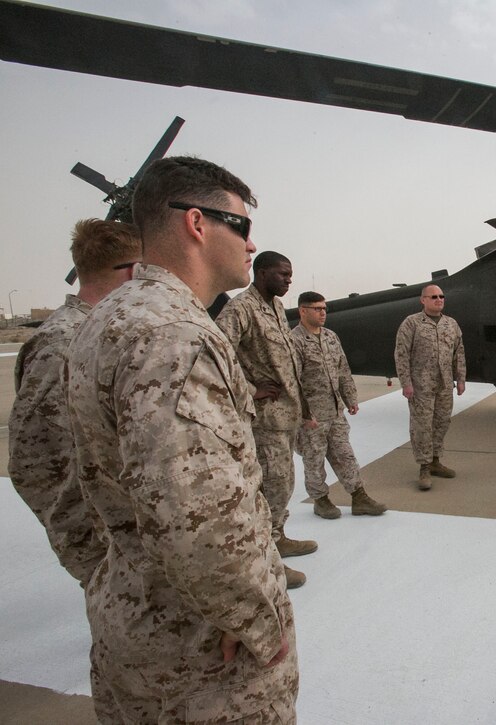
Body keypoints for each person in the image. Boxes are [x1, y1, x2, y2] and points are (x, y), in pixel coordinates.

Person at [65, 156, 298, 721]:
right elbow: (196, 511)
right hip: (200, 650)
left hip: (134, 617)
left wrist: (102, 574)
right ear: (197, 223)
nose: (250, 245)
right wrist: (256, 619)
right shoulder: (175, 334)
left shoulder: (110, 316)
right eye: (241, 226)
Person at [9, 218, 140, 586]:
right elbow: (37, 461)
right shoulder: (63, 343)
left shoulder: (101, 332)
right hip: (106, 546)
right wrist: (93, 550)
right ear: (132, 272)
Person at [217, 249, 315, 588]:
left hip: (285, 416)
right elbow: (215, 353)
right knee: (272, 484)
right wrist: (249, 389)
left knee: (283, 483)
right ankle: (266, 560)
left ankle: (278, 537)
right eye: (282, 274)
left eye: (290, 274)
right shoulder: (241, 309)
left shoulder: (274, 307)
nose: (289, 280)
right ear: (261, 273)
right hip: (264, 419)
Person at [292, 290, 387, 518]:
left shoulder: (330, 337)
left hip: (335, 412)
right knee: (314, 459)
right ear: (303, 311)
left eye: (324, 308)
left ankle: (359, 497)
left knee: (345, 454)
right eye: (317, 309)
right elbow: (292, 381)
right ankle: (321, 500)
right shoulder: (293, 341)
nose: (323, 313)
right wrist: (304, 414)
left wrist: (350, 398)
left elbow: (343, 370)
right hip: (312, 416)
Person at [394, 284, 466, 490]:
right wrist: (406, 383)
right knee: (422, 426)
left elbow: (458, 353)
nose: (439, 299)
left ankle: (435, 461)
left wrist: (460, 379)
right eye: (433, 296)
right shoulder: (411, 323)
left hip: (445, 384)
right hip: (420, 386)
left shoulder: (451, 324)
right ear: (423, 300)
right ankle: (424, 467)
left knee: (442, 422)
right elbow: (401, 354)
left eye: (442, 296)